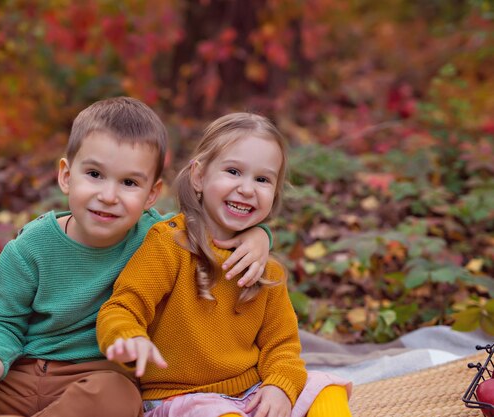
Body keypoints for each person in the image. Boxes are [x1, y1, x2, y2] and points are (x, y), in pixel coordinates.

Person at [0, 97, 273, 417]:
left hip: (91, 383)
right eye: (95, 175)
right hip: (20, 375)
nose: (108, 195)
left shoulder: (159, 238)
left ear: (151, 194)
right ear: (67, 176)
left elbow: (212, 232)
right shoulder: (29, 248)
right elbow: (4, 321)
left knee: (120, 397)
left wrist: (259, 235)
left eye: (129, 183)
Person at [97, 112, 352, 417]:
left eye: (262, 179)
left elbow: (282, 344)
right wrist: (129, 337)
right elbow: (123, 307)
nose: (247, 188)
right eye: (233, 171)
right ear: (199, 176)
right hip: (181, 397)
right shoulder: (168, 245)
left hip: (250, 390)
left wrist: (279, 386)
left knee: (328, 389)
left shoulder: (267, 270)